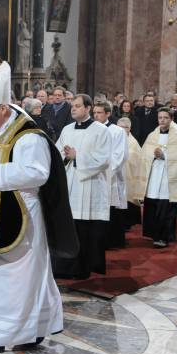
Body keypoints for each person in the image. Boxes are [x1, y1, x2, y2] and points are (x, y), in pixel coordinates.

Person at [0, 62, 77, 354]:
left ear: (3, 107)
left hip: (24, 217)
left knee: (23, 279)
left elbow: (39, 172)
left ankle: (31, 330)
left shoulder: (28, 135)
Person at [53, 94, 111, 279]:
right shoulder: (67, 129)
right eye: (72, 106)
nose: (73, 109)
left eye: (77, 106)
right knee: (68, 226)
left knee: (85, 229)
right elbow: (57, 152)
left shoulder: (101, 131)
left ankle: (82, 267)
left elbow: (104, 159)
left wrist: (78, 156)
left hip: (89, 185)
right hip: (70, 182)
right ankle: (65, 266)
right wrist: (65, 156)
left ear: (88, 108)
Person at [138, 108, 177, 247]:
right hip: (154, 175)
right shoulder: (152, 135)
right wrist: (152, 155)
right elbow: (144, 154)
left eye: (165, 117)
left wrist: (165, 156)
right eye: (160, 117)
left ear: (171, 119)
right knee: (153, 206)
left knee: (165, 209)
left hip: (168, 176)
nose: (162, 120)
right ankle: (154, 234)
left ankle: (164, 237)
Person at [93, 102, 128, 249]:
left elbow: (119, 155)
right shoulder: (90, 130)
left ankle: (113, 241)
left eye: (99, 113)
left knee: (112, 208)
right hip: (93, 175)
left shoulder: (117, 131)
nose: (95, 116)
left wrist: (104, 171)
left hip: (110, 177)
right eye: (94, 113)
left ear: (108, 114)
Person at [117, 117, 142, 228]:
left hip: (129, 176)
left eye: (124, 127)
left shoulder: (133, 142)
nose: (121, 130)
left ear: (129, 129)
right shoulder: (114, 138)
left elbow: (135, 158)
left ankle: (128, 223)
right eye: (119, 127)